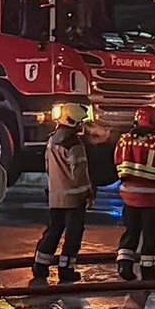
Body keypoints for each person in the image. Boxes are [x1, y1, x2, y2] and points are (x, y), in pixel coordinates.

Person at [31, 103, 94, 286]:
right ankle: (66, 269)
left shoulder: (52, 140)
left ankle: (40, 265)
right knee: (73, 236)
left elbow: (48, 168)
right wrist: (88, 193)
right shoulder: (74, 144)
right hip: (74, 199)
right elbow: (79, 174)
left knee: (53, 231)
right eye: (80, 122)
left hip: (56, 197)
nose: (82, 125)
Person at [114, 105, 155, 281]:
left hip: (129, 197)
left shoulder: (124, 140)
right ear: (153, 122)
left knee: (130, 232)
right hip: (151, 199)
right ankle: (149, 271)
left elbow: (117, 162)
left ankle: (124, 265)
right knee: (151, 236)